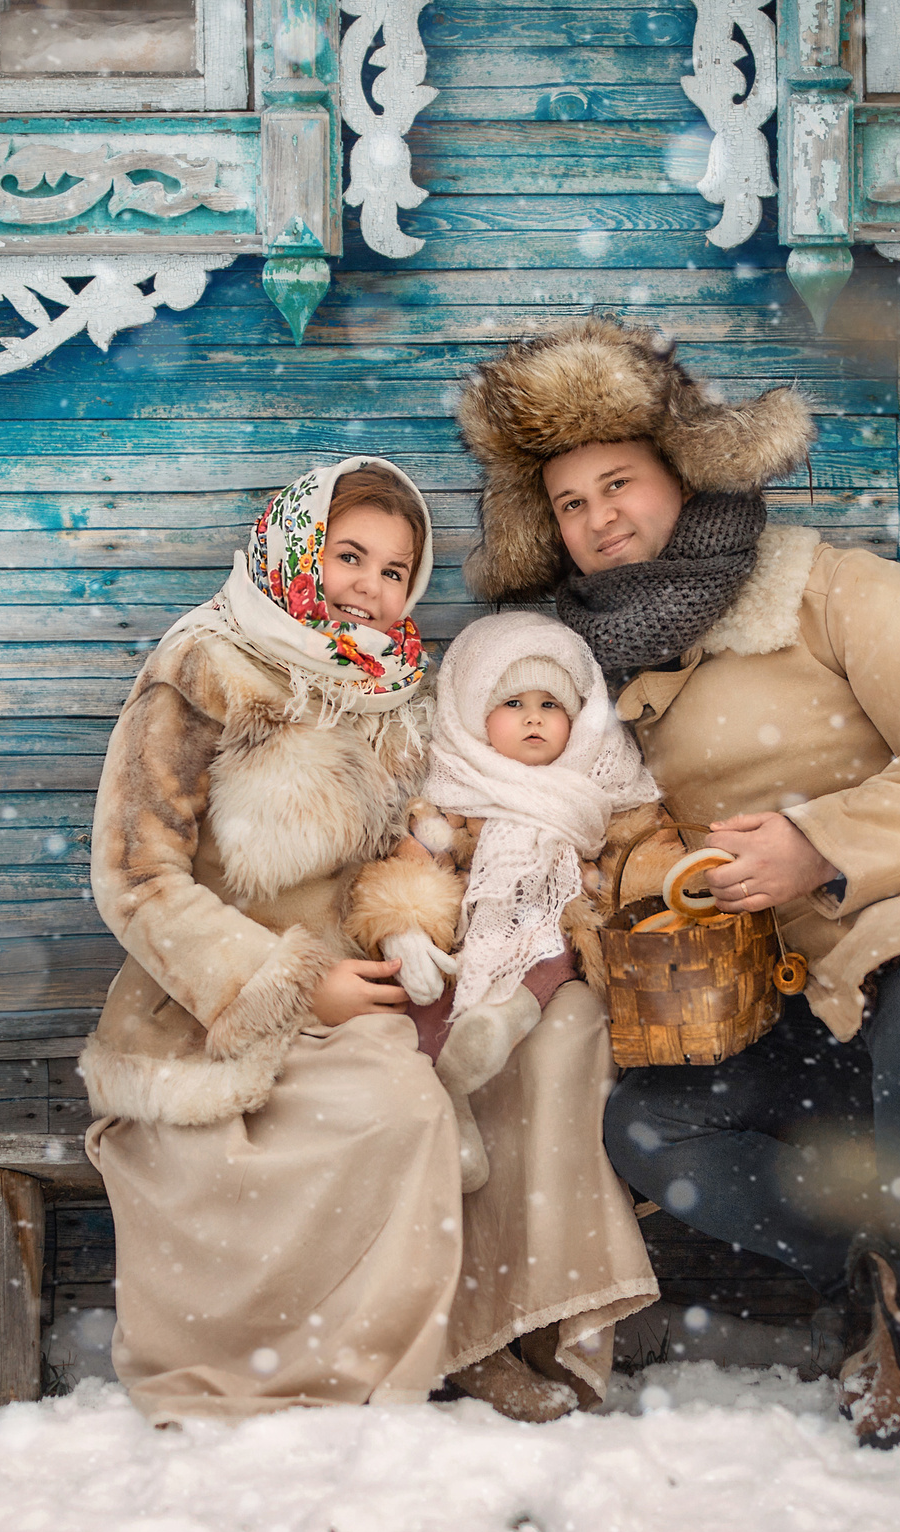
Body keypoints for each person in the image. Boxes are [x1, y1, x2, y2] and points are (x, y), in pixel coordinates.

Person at [453, 320, 900, 1436]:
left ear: (683, 480)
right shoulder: (598, 682)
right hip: (799, 1003)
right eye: (569, 504)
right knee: (654, 1128)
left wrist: (821, 842)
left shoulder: (831, 590)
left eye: (619, 484)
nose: (599, 517)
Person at [76, 457, 656, 1425]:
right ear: (296, 547)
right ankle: (317, 1370)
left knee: (541, 1040)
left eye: (394, 572)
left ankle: (485, 1330)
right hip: (217, 1001)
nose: (370, 588)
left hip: (379, 976)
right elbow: (133, 879)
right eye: (349, 557)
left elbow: (421, 842)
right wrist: (292, 986)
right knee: (400, 1112)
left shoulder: (395, 692)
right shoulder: (203, 668)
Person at [408, 611, 668, 1187]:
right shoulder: (457, 784)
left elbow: (637, 856)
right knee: (431, 993)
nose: (533, 718)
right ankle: (447, 1105)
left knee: (552, 950)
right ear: (476, 718)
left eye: (550, 705)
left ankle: (501, 1023)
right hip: (466, 925)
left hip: (557, 924)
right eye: (512, 704)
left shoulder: (597, 790)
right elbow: (426, 851)